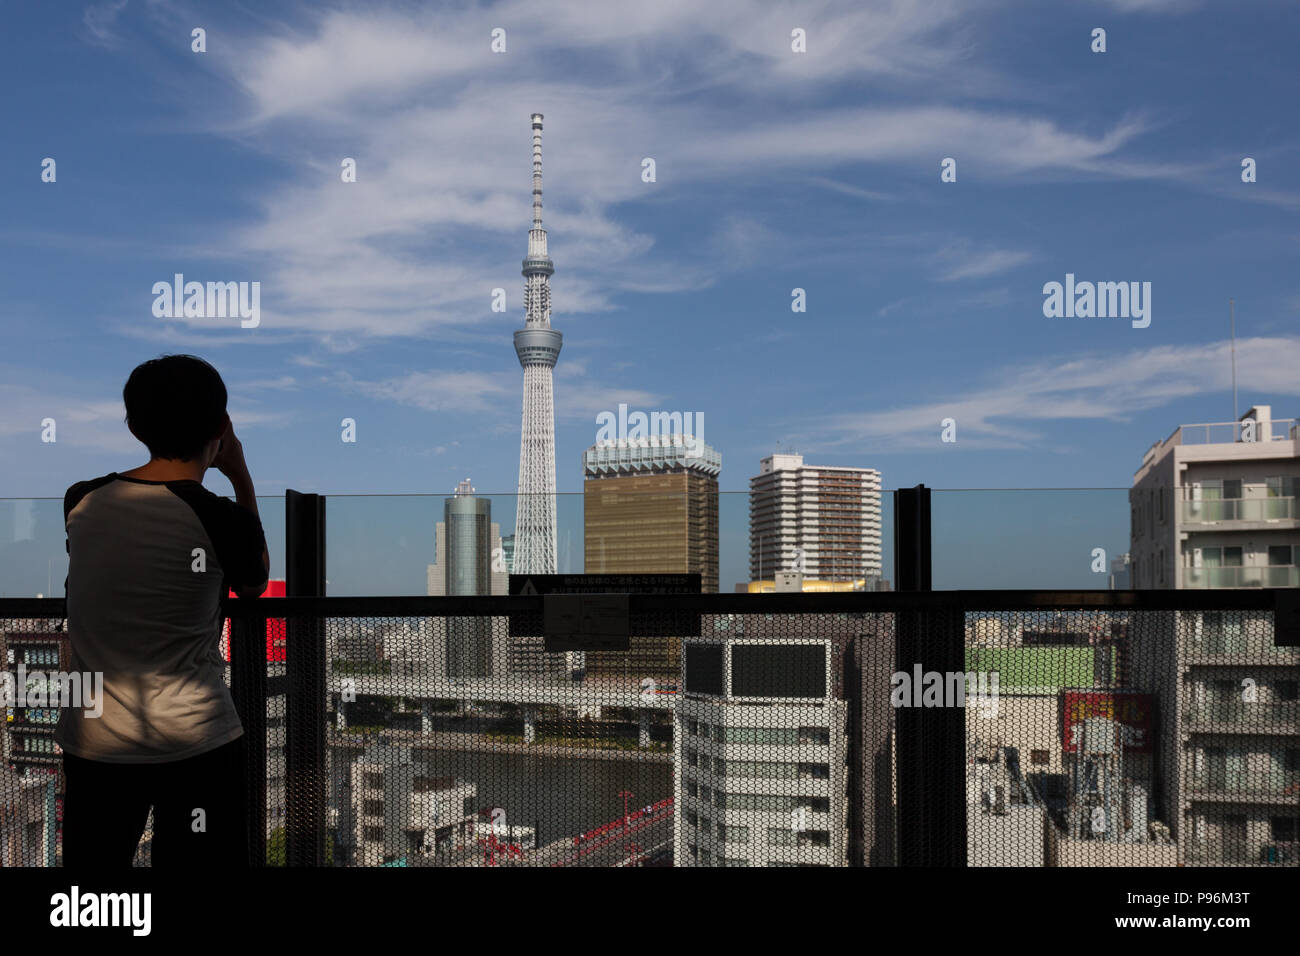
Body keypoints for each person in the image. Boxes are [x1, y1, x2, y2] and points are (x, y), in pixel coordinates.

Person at [56, 354, 269, 867]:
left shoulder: (81, 500)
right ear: (221, 427)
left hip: (94, 739)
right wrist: (239, 475)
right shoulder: (218, 517)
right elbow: (255, 582)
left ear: (133, 425)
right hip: (197, 740)